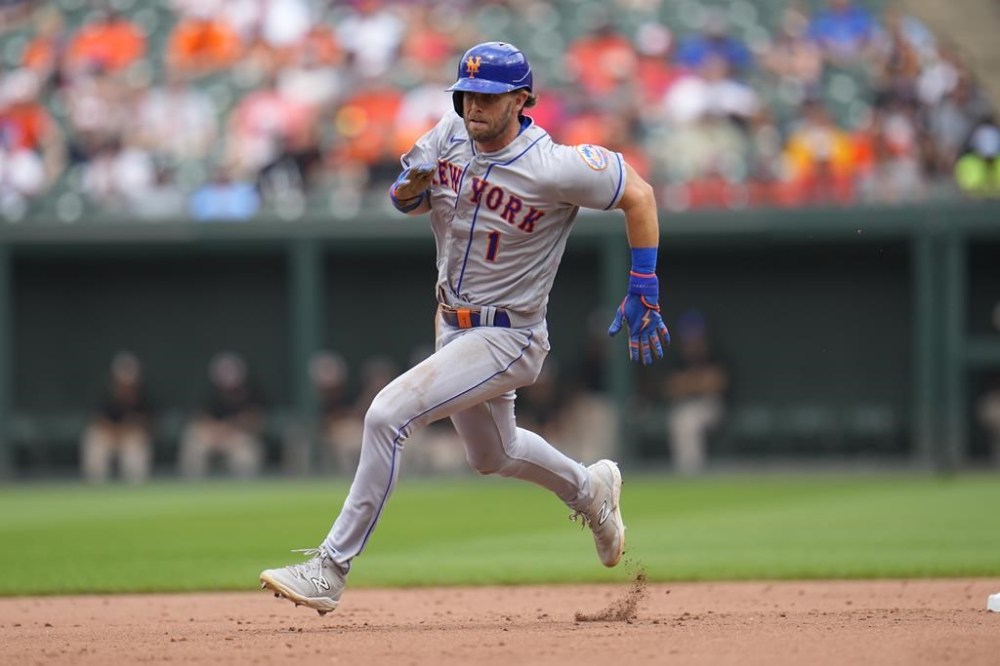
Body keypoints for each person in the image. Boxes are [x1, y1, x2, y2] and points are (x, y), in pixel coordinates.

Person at [259, 41, 671, 615]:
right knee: (493, 454)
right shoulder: (448, 135)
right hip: (450, 324)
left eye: (487, 96)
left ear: (521, 100)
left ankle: (330, 567)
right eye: (465, 94)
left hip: (510, 335)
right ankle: (590, 490)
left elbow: (640, 195)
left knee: (386, 414)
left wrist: (643, 282)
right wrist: (409, 187)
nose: (473, 105)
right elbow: (406, 199)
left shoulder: (555, 166)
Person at [178, 351, 266, 478]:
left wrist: (231, 427)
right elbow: (198, 418)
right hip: (212, 434)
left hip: (237, 436)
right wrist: (216, 429)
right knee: (193, 442)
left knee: (247, 454)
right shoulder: (208, 393)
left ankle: (245, 492)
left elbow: (256, 420)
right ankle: (192, 488)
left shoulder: (252, 392)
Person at [662, 310, 728, 475]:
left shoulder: (715, 354)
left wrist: (687, 383)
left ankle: (692, 473)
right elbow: (670, 388)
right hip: (685, 405)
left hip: (711, 405)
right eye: (688, 335)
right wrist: (699, 382)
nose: (692, 340)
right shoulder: (678, 359)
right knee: (682, 418)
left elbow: (717, 383)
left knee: (688, 420)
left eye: (695, 334)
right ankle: (688, 470)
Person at [80, 351, 155, 484]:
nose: (126, 385)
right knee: (94, 440)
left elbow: (150, 425)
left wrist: (133, 429)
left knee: (136, 443)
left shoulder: (143, 396)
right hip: (108, 436)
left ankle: (136, 489)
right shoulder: (104, 394)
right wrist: (117, 432)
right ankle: (95, 488)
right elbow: (97, 421)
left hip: (129, 438)